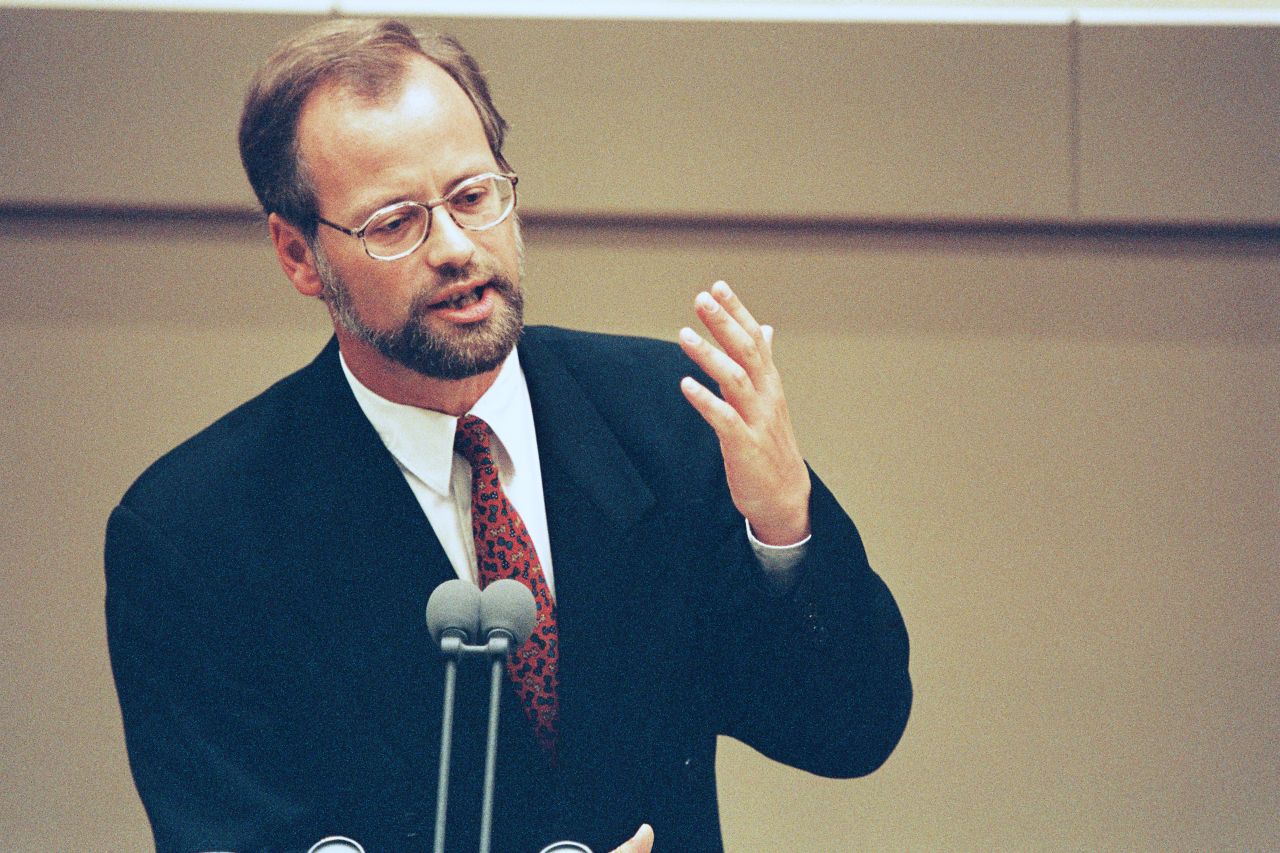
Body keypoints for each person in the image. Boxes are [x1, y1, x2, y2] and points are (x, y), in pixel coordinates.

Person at [105, 18, 911, 853]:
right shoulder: (195, 534)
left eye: (473, 196)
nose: (456, 247)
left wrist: (784, 526)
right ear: (298, 254)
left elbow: (849, 729)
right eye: (394, 223)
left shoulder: (671, 424)